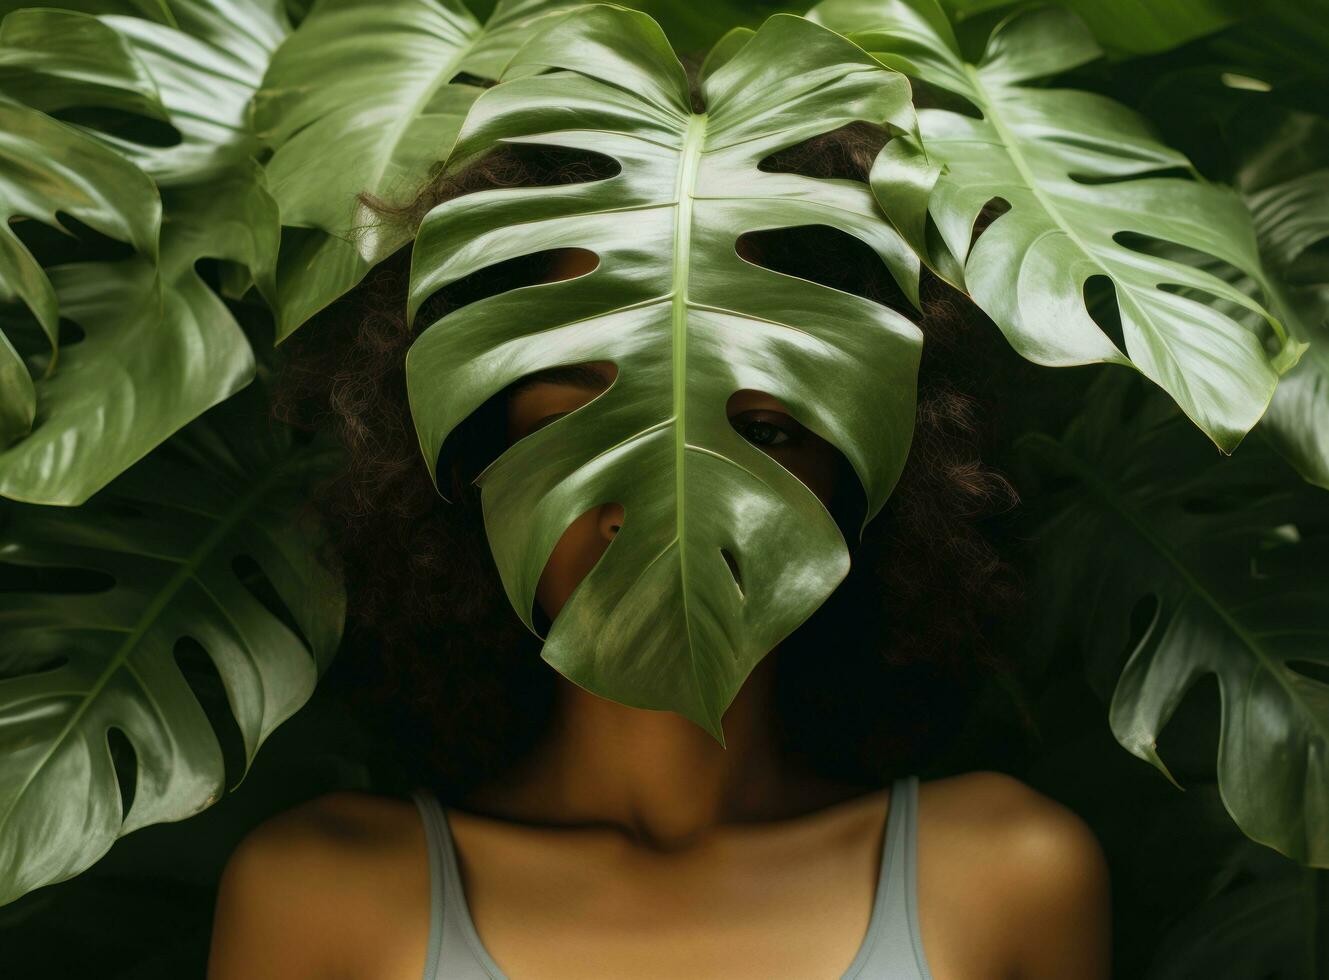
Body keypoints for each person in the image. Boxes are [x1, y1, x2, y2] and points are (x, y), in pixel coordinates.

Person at [206, 122, 1111, 979]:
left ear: (867, 474)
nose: (662, 499)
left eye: (760, 431)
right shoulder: (324, 896)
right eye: (579, 422)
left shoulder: (1004, 876)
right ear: (479, 455)